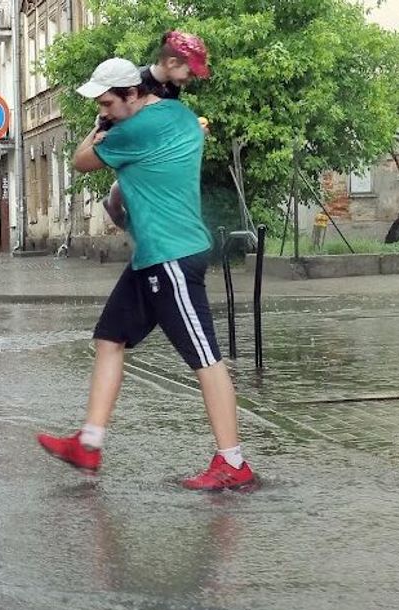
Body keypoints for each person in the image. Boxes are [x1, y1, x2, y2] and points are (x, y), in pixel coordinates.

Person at [36, 57, 255, 491]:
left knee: (206, 359)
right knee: (110, 337)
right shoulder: (174, 114)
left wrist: (103, 127)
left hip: (171, 256)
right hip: (151, 257)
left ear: (132, 96)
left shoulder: (133, 129)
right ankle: (89, 443)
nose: (102, 111)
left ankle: (233, 461)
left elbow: (81, 161)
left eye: (106, 103)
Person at [102, 31, 211, 229]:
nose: (190, 78)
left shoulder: (171, 87)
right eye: (190, 72)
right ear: (171, 63)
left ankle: (121, 210)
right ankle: (117, 207)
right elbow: (110, 111)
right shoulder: (136, 82)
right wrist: (102, 131)